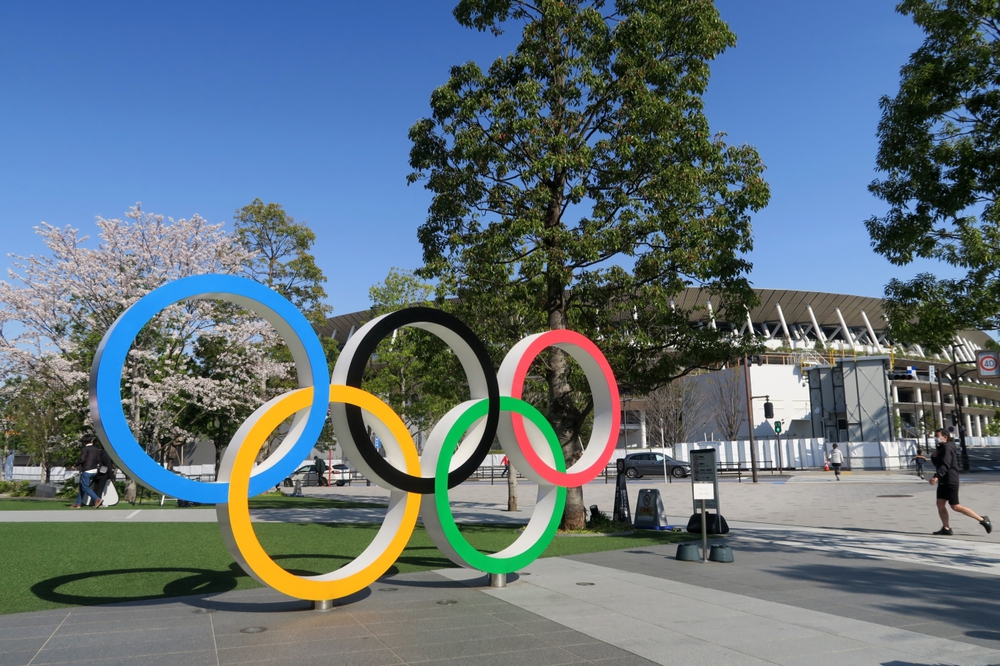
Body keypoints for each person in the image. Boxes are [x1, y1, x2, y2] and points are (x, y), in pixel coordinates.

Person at [929, 428, 991, 536]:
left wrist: (937, 476)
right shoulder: (942, 448)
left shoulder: (947, 448)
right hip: (944, 481)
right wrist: (934, 457)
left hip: (950, 480)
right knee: (940, 503)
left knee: (955, 506)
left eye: (937, 436)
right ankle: (946, 528)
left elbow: (945, 465)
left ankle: (982, 519)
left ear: (945, 437)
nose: (935, 438)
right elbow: (939, 464)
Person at [71, 434, 103, 508]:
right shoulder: (96, 449)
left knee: (84, 487)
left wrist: (75, 465)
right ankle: (78, 503)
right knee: (82, 486)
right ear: (91, 441)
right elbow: (98, 460)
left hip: (87, 470)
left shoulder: (85, 449)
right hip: (95, 470)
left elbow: (82, 459)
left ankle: (97, 499)